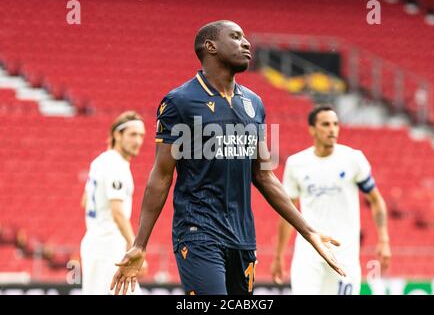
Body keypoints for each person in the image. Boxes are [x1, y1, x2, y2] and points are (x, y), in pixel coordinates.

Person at [110, 20, 345, 296]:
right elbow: (161, 176)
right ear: (210, 46)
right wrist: (140, 243)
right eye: (235, 37)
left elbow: (263, 174)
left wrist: (309, 231)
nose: (246, 43)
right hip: (198, 232)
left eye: (245, 37)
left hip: (243, 238)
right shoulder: (179, 102)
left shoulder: (254, 103)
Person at [271, 105, 391, 295]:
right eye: (325, 124)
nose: (332, 129)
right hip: (309, 253)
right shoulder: (296, 164)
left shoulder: (353, 159)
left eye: (335, 124)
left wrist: (384, 240)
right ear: (312, 129)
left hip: (345, 254)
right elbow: (288, 213)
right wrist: (278, 256)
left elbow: (376, 200)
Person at [80, 111, 147, 295]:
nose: (138, 141)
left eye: (141, 135)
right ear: (117, 135)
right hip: (105, 246)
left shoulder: (100, 161)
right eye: (133, 134)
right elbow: (117, 212)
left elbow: (85, 200)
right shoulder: (116, 165)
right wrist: (136, 248)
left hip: (99, 241)